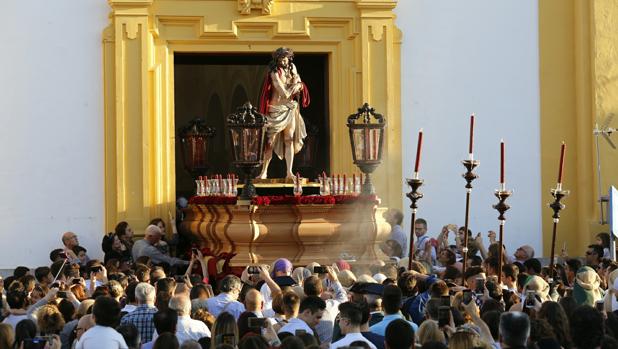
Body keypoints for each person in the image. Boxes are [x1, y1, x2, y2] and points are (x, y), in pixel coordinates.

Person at [257, 47, 310, 179]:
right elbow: (283, 92)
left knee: (289, 139)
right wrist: (296, 86)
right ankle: (264, 172)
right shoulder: (274, 72)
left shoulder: (292, 68)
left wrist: (298, 85)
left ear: (289, 58)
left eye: (285, 59)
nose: (283, 62)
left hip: (289, 108)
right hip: (275, 110)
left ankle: (289, 172)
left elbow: (299, 83)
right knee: (270, 142)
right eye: (280, 59)